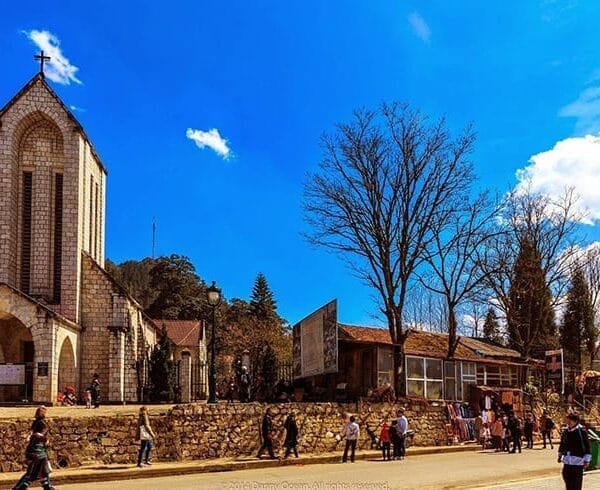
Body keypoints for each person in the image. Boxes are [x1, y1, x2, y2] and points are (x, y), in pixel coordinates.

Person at [12, 406, 54, 490]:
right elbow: (39, 434)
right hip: (38, 452)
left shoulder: (36, 422)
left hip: (36, 451)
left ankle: (47, 487)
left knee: (43, 471)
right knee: (33, 472)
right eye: (44, 412)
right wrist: (45, 439)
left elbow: (32, 434)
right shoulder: (42, 423)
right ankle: (20, 488)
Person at [558, 413, 591, 490]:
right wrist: (560, 455)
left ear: (575, 421)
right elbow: (562, 444)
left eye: (570, 421)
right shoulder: (565, 431)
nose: (568, 422)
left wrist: (587, 460)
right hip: (567, 460)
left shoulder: (581, 431)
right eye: (567, 421)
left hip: (578, 461)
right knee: (567, 479)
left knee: (576, 483)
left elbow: (587, 445)